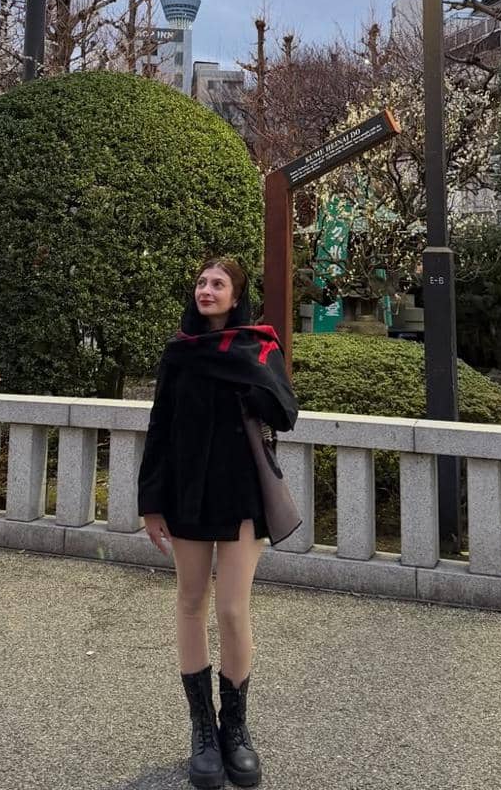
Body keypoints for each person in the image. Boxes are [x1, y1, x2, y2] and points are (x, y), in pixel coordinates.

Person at [138, 257, 299, 790]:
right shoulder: (179, 352)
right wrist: (150, 503)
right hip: (186, 491)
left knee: (232, 608)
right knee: (190, 601)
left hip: (241, 493)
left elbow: (286, 413)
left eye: (218, 284)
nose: (206, 290)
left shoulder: (259, 348)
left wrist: (249, 380)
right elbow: (160, 426)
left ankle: (235, 727)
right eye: (201, 283)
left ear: (236, 296)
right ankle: (202, 729)